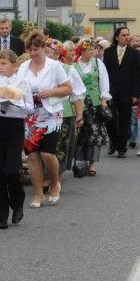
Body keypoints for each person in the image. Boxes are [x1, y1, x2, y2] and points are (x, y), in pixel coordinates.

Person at [18, 30, 72, 208]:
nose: (33, 53)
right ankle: (38, 194)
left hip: (50, 114)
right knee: (32, 157)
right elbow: (17, 89)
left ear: (43, 48)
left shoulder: (54, 66)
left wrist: (51, 92)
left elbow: (67, 88)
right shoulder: (24, 67)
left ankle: (54, 183)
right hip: (30, 116)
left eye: (36, 49)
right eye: (30, 50)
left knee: (47, 154)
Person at [0, 49, 33, 228]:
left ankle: (18, 202)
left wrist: (14, 100)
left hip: (15, 126)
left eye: (4, 64)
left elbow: (30, 108)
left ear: (14, 66)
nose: (0, 67)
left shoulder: (23, 83)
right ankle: (1, 215)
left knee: (11, 170)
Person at [101, 26, 140, 158]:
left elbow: (138, 74)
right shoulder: (108, 52)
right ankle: (114, 141)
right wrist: (104, 92)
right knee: (110, 119)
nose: (126, 37)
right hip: (111, 92)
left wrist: (136, 94)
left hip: (127, 92)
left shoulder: (134, 53)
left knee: (125, 120)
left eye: (128, 35)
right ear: (117, 37)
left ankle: (122, 148)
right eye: (123, 35)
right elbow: (104, 73)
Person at [72, 38, 111, 177]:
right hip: (80, 103)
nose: (92, 52)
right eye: (89, 50)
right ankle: (81, 163)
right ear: (81, 51)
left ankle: (93, 164)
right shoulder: (74, 65)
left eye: (91, 50)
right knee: (81, 133)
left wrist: (104, 99)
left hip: (94, 102)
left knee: (95, 133)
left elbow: (104, 80)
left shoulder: (97, 63)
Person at [50, 39, 85, 178]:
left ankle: (56, 177)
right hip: (42, 114)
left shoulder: (68, 70)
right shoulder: (37, 68)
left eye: (49, 51)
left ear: (58, 53)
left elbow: (77, 94)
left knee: (60, 145)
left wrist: (79, 114)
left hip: (63, 114)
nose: (45, 54)